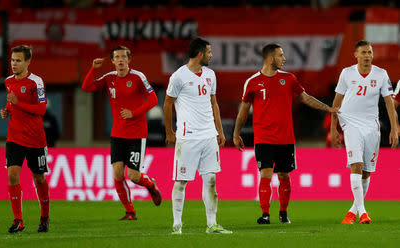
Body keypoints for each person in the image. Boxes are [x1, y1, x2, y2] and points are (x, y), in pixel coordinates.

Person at [233, 43, 339, 225]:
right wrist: (236, 134)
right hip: (263, 137)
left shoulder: (289, 79)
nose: (284, 58)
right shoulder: (252, 82)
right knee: (265, 173)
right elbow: (243, 110)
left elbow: (305, 98)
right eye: (281, 55)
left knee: (283, 175)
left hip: (285, 138)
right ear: (271, 58)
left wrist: (327, 108)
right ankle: (265, 214)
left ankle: (283, 212)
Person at [81, 46, 161, 220]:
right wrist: (93, 69)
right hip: (117, 134)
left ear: (129, 59)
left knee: (133, 176)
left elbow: (154, 99)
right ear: (112, 61)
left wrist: (134, 112)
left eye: (123, 57)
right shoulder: (109, 78)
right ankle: (130, 212)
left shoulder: (138, 77)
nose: (120, 60)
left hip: (136, 134)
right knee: (117, 174)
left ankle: (151, 184)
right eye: (117, 57)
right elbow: (86, 87)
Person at [164, 37, 232, 234]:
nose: (211, 55)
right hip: (188, 137)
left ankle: (212, 224)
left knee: (210, 180)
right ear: (200, 53)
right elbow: (168, 104)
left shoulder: (210, 74)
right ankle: (177, 224)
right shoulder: (178, 76)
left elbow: (214, 103)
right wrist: (170, 132)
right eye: (209, 52)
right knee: (181, 181)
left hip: (209, 136)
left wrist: (219, 130)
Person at [331, 40, 398, 224]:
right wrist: (334, 129)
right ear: (356, 55)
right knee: (357, 165)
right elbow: (336, 104)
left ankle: (353, 211)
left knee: (367, 172)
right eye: (363, 52)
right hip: (350, 122)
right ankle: (363, 212)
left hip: (371, 126)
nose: (367, 56)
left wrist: (393, 128)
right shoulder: (347, 73)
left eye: (369, 52)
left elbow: (389, 103)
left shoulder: (381, 74)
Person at [0, 45, 50, 233]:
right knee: (12, 175)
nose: (14, 64)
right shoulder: (8, 81)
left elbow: (42, 110)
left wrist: (17, 104)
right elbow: (11, 103)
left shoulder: (36, 82)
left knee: (38, 178)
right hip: (14, 137)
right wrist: (7, 110)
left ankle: (44, 217)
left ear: (28, 62)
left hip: (35, 139)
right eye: (12, 60)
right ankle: (18, 221)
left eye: (18, 60)